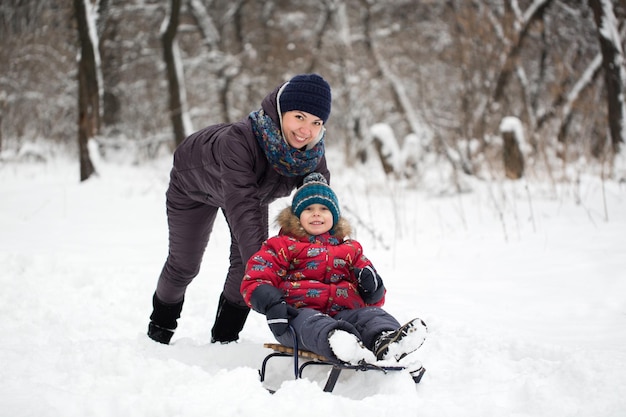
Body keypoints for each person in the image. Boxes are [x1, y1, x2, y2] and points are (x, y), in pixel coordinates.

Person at [148, 74, 333, 345]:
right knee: (184, 265)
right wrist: (268, 272)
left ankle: (224, 339)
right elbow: (242, 205)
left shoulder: (311, 154)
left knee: (245, 266)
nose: (306, 130)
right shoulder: (240, 140)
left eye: (316, 122)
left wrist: (321, 265)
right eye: (300, 117)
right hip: (193, 186)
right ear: (281, 111)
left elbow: (320, 210)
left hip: (250, 194)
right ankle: (160, 328)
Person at [240, 173, 428, 365]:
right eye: (308, 208)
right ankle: (341, 343)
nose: (316, 213)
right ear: (296, 216)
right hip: (297, 318)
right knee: (313, 322)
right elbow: (256, 277)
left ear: (334, 216)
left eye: (323, 208)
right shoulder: (282, 246)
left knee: (372, 315)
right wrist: (272, 304)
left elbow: (375, 300)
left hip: (345, 313)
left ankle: (385, 341)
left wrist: (372, 287)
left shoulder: (350, 250)